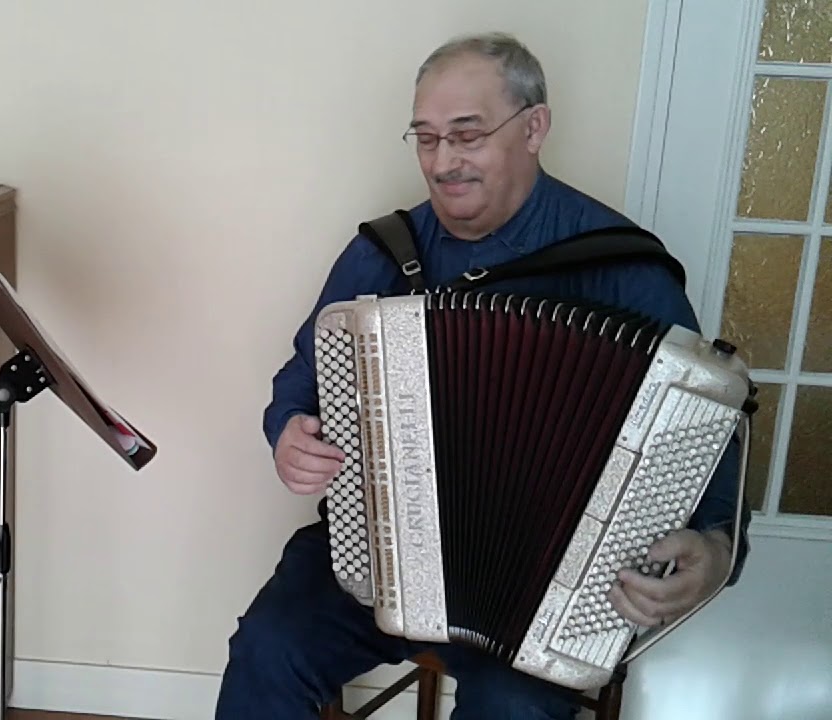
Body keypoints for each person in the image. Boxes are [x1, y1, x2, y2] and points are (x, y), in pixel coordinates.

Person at [215, 32, 751, 720]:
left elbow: (712, 459)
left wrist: (712, 550)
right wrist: (288, 430)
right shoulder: (386, 253)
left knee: (514, 709)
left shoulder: (627, 274)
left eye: (466, 136)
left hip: (549, 586)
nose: (443, 163)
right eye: (427, 138)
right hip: (378, 553)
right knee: (268, 647)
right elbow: (303, 375)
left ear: (535, 128)